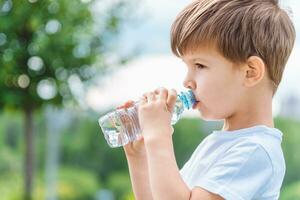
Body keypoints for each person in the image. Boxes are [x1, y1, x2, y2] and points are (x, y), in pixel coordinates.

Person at [118, 0, 295, 199]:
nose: (187, 81)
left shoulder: (256, 151)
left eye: (200, 65)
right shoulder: (218, 144)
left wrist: (159, 137)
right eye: (187, 66)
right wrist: (139, 157)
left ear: (250, 72)